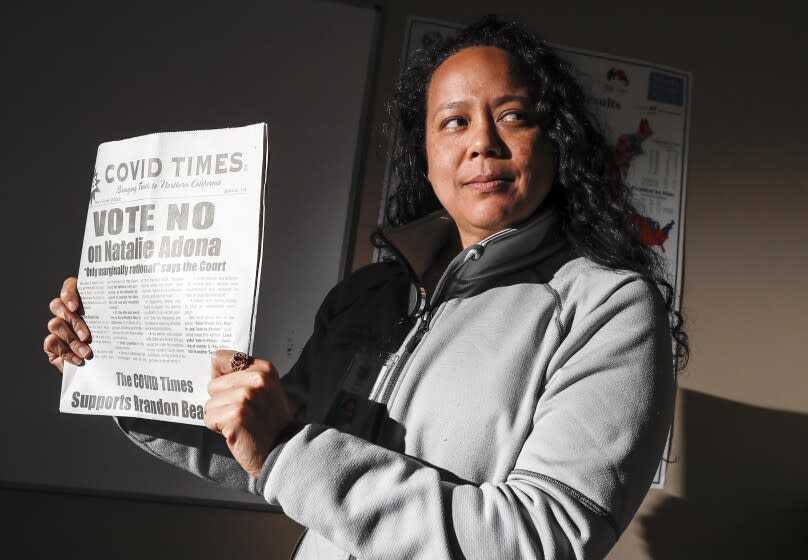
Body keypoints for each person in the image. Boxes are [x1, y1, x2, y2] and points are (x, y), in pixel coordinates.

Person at [44, 16, 687, 560]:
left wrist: (286, 448)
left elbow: (538, 539)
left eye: (513, 115)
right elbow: (265, 448)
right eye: (453, 122)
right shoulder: (368, 295)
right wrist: (124, 365)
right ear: (425, 153)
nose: (482, 143)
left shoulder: (610, 307)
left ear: (557, 139)